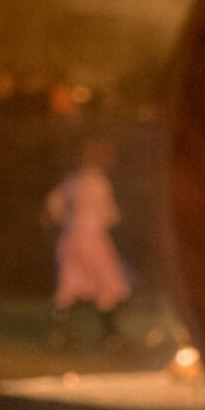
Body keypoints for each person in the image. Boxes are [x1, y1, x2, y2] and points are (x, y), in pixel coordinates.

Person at [45, 137, 133, 347]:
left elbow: (53, 206)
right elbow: (109, 215)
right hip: (93, 239)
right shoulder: (99, 183)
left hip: (70, 239)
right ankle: (111, 336)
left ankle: (58, 334)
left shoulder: (71, 181)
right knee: (107, 282)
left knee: (68, 284)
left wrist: (65, 220)